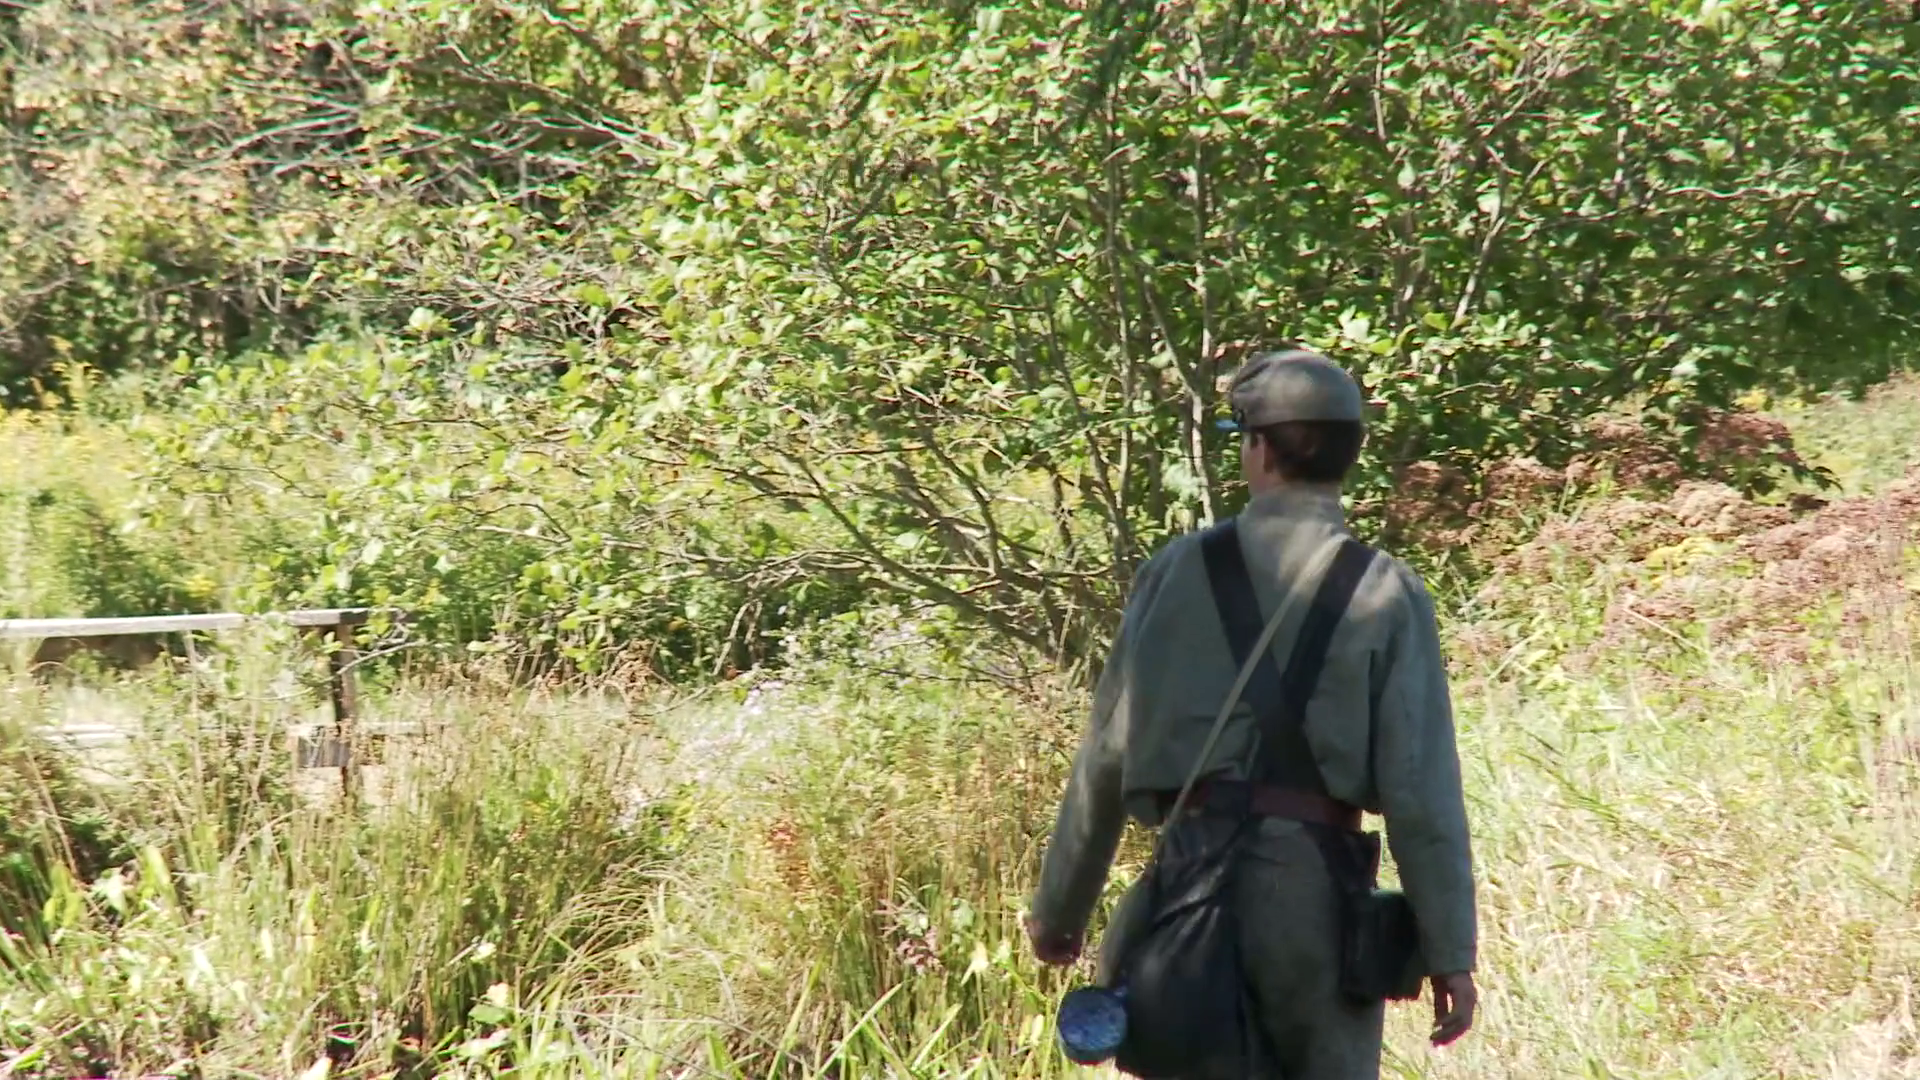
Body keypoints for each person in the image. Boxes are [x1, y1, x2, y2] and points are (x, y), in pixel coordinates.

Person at [1024, 349, 1479, 1078]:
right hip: (1316, 907)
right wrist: (1450, 951)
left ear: (1259, 447)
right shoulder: (1388, 592)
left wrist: (1060, 913)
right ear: (1350, 454)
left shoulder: (1173, 572)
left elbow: (1105, 757)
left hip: (1186, 890)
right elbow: (1421, 793)